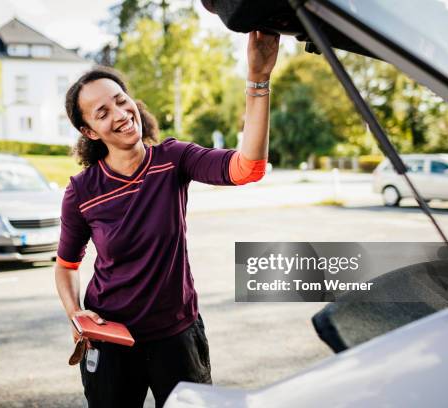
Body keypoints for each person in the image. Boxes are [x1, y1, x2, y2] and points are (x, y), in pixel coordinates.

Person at [54, 30, 280, 408]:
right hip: (112, 341)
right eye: (102, 113)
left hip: (177, 335)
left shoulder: (173, 159)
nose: (121, 116)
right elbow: (66, 266)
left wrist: (259, 80)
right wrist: (76, 313)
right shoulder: (83, 190)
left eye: (121, 101)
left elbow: (248, 168)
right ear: (89, 131)